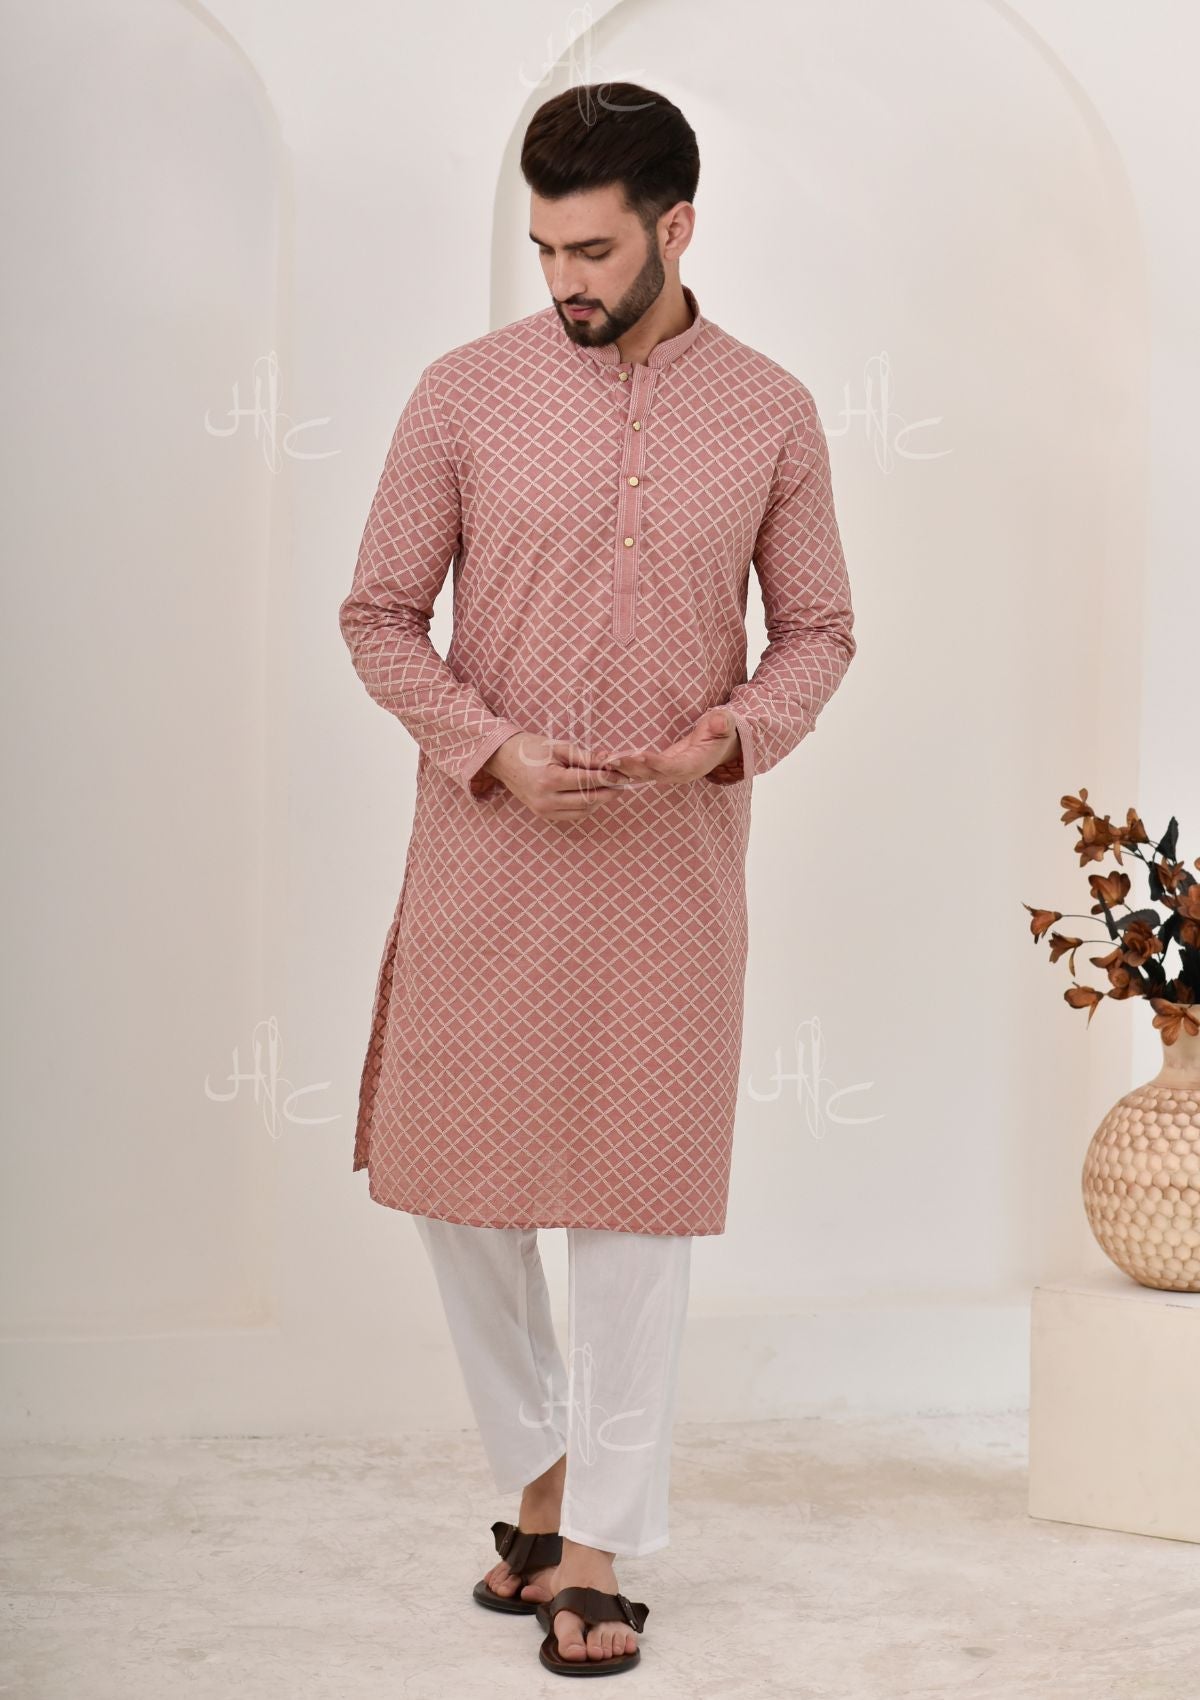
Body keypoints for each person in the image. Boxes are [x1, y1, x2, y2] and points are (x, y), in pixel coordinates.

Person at [338, 80, 857, 1677]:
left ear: (675, 229)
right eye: (546, 248)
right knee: (457, 1189)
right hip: (488, 852)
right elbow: (377, 615)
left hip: (669, 869)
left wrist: (734, 737)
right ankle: (547, 1471)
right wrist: (487, 748)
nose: (563, 278)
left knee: (635, 1218)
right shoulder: (463, 393)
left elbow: (820, 631)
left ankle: (600, 1552)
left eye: (593, 250)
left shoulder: (769, 410)